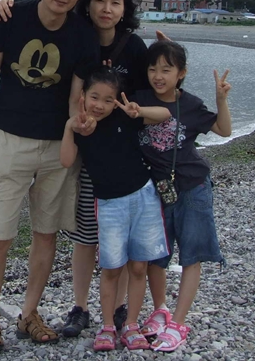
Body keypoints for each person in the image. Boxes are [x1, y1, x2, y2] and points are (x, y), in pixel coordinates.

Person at [0, 0, 152, 336]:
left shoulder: (134, 48)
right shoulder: (78, 36)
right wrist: (4, 3)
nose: (106, 9)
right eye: (99, 0)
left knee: (120, 234)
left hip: (123, 157)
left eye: (115, 3)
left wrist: (166, 62)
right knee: (85, 234)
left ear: (124, 9)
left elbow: (152, 92)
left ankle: (120, 307)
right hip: (83, 153)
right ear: (87, 3)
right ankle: (80, 307)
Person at [0, 0, 100, 354]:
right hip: (9, 142)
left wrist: (78, 128)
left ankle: (29, 313)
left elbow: (76, 97)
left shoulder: (82, 34)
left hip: (56, 147)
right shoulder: (8, 18)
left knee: (46, 236)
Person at [59, 66, 171, 351]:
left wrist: (137, 111)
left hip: (143, 197)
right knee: (111, 268)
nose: (100, 105)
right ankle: (107, 326)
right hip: (108, 204)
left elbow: (166, 114)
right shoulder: (82, 126)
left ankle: (131, 324)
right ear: (83, 96)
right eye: (94, 97)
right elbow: (66, 160)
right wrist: (69, 128)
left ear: (116, 101)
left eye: (108, 100)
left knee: (139, 266)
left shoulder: (125, 116)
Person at [133, 40, 232, 352]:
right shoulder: (140, 98)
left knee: (191, 255)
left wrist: (221, 99)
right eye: (153, 69)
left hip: (193, 187)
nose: (158, 76)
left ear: (181, 73)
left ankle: (178, 323)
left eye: (166, 70)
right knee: (155, 255)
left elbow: (224, 130)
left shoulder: (190, 104)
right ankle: (160, 310)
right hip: (156, 190)